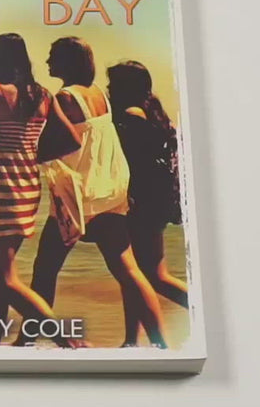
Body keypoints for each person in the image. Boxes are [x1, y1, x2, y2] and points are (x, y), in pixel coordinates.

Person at [21, 37, 167, 347]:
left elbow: (57, 143)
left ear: (67, 61)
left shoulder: (65, 98)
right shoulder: (99, 94)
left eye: (53, 56)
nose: (47, 62)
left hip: (78, 195)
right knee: (128, 271)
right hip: (109, 190)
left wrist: (30, 155)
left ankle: (26, 340)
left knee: (45, 269)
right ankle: (160, 344)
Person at [0, 33, 80, 347]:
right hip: (26, 188)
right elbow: (72, 140)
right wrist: (28, 153)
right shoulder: (42, 95)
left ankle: (66, 341)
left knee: (4, 280)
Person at [107, 60, 188, 345]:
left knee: (151, 277)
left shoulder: (132, 116)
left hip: (141, 205)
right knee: (138, 276)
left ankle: (197, 312)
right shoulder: (153, 113)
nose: (108, 89)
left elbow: (136, 162)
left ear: (124, 88)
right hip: (155, 204)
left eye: (113, 84)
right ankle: (131, 341)